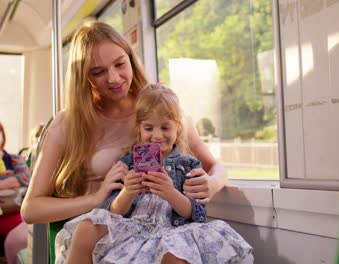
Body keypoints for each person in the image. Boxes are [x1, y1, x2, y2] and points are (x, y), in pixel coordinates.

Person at [21, 20, 227, 245]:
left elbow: (215, 167)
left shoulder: (159, 111)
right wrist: (96, 199)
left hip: (158, 233)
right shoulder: (68, 124)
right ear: (84, 78)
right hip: (96, 237)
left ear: (131, 59)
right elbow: (31, 210)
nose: (113, 78)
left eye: (120, 64)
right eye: (98, 72)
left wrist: (212, 183)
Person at [55, 83, 253, 263]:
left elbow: (196, 214)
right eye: (149, 128)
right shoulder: (128, 163)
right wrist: (128, 192)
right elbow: (113, 211)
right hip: (132, 229)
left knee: (176, 255)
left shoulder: (187, 165)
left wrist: (171, 193)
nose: (157, 136)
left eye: (165, 127)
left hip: (171, 231)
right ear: (139, 128)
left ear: (178, 128)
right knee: (85, 228)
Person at [0, 122, 30, 264]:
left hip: (13, 211)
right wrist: (12, 178)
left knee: (19, 236)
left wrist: (2, 183)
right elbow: (18, 178)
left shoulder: (14, 158)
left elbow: (25, 178)